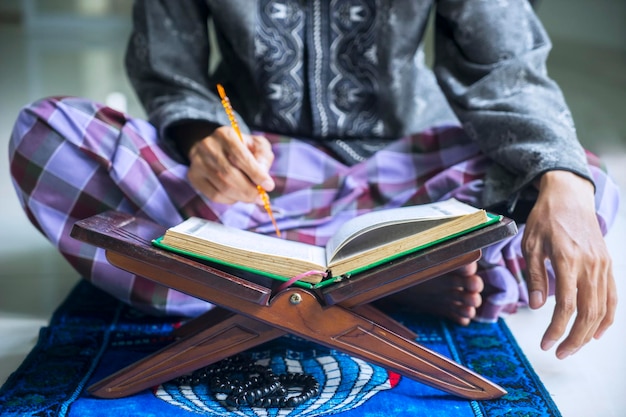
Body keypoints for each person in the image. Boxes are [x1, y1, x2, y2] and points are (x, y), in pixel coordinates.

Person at [9, 0, 619, 361]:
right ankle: (390, 278)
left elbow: (504, 72)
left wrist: (564, 182)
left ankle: (255, 277)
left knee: (586, 187)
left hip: (411, 175)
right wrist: (201, 139)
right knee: (48, 135)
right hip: (257, 182)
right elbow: (169, 70)